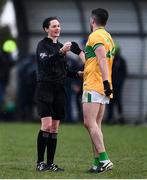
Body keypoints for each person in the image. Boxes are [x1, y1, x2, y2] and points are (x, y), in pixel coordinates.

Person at [35, 17, 81, 172]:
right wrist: (61, 52)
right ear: (46, 29)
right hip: (45, 88)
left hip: (59, 89)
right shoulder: (42, 45)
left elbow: (64, 71)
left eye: (59, 26)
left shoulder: (61, 47)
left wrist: (79, 74)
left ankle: (50, 164)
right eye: (53, 26)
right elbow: (46, 62)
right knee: (46, 126)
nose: (57, 28)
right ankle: (40, 162)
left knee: (54, 129)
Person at [71, 8, 115, 173]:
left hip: (95, 84)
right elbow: (93, 60)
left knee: (89, 123)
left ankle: (104, 159)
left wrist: (104, 82)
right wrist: (78, 52)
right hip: (101, 84)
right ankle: (97, 163)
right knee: (95, 125)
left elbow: (102, 59)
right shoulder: (107, 37)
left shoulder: (95, 36)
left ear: (92, 20)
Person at [106, 44, 127, 124]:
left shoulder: (121, 61)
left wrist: (119, 82)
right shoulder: (110, 60)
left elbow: (124, 73)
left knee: (118, 101)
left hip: (118, 85)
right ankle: (110, 118)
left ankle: (120, 118)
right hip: (110, 84)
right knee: (110, 101)